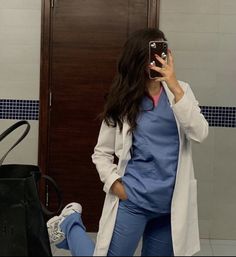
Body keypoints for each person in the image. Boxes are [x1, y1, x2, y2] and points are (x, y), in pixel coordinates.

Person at [47, 28, 209, 256]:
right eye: (153, 54)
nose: (159, 59)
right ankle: (70, 223)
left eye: (162, 52)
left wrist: (174, 87)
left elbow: (200, 133)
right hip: (133, 201)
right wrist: (116, 185)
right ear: (138, 59)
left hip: (170, 208)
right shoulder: (123, 100)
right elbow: (101, 153)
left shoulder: (181, 91)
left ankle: (70, 223)